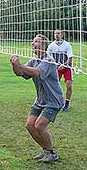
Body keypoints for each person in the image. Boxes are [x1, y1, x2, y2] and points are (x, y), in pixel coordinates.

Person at [10, 34, 64, 163]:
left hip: (53, 101)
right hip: (40, 100)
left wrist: (19, 64)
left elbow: (36, 73)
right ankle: (46, 150)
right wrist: (14, 65)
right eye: (33, 41)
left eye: (37, 42)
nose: (33, 44)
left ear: (44, 46)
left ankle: (51, 153)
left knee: (39, 126)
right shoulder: (33, 61)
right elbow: (20, 73)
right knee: (30, 125)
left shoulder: (48, 60)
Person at [47, 29, 74, 111]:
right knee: (54, 86)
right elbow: (48, 56)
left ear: (62, 35)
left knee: (69, 85)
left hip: (67, 68)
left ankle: (67, 103)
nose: (56, 35)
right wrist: (54, 63)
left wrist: (64, 65)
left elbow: (70, 58)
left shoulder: (67, 45)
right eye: (55, 33)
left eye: (58, 33)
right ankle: (54, 102)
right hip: (56, 68)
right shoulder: (51, 46)